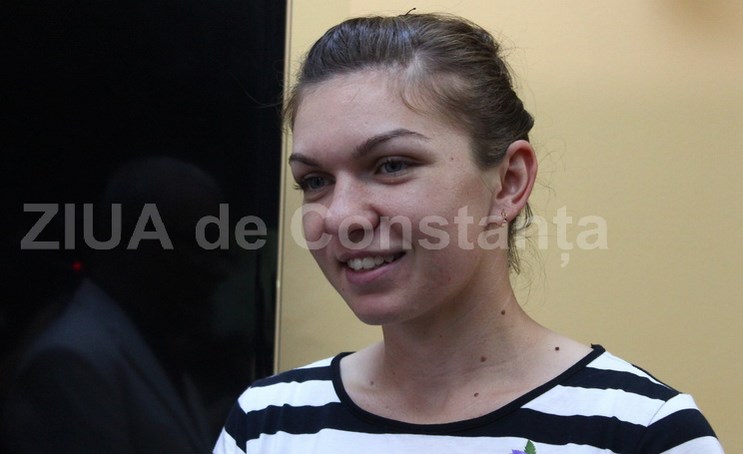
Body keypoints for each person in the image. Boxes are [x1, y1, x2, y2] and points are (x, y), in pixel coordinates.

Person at [214, 13, 724, 453]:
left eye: (392, 164)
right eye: (315, 181)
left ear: (509, 182)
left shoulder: (643, 432)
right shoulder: (268, 425)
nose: (341, 217)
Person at [1, 157, 230, 453]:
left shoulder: (135, 343)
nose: (218, 269)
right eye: (200, 243)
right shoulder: (71, 362)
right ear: (136, 241)